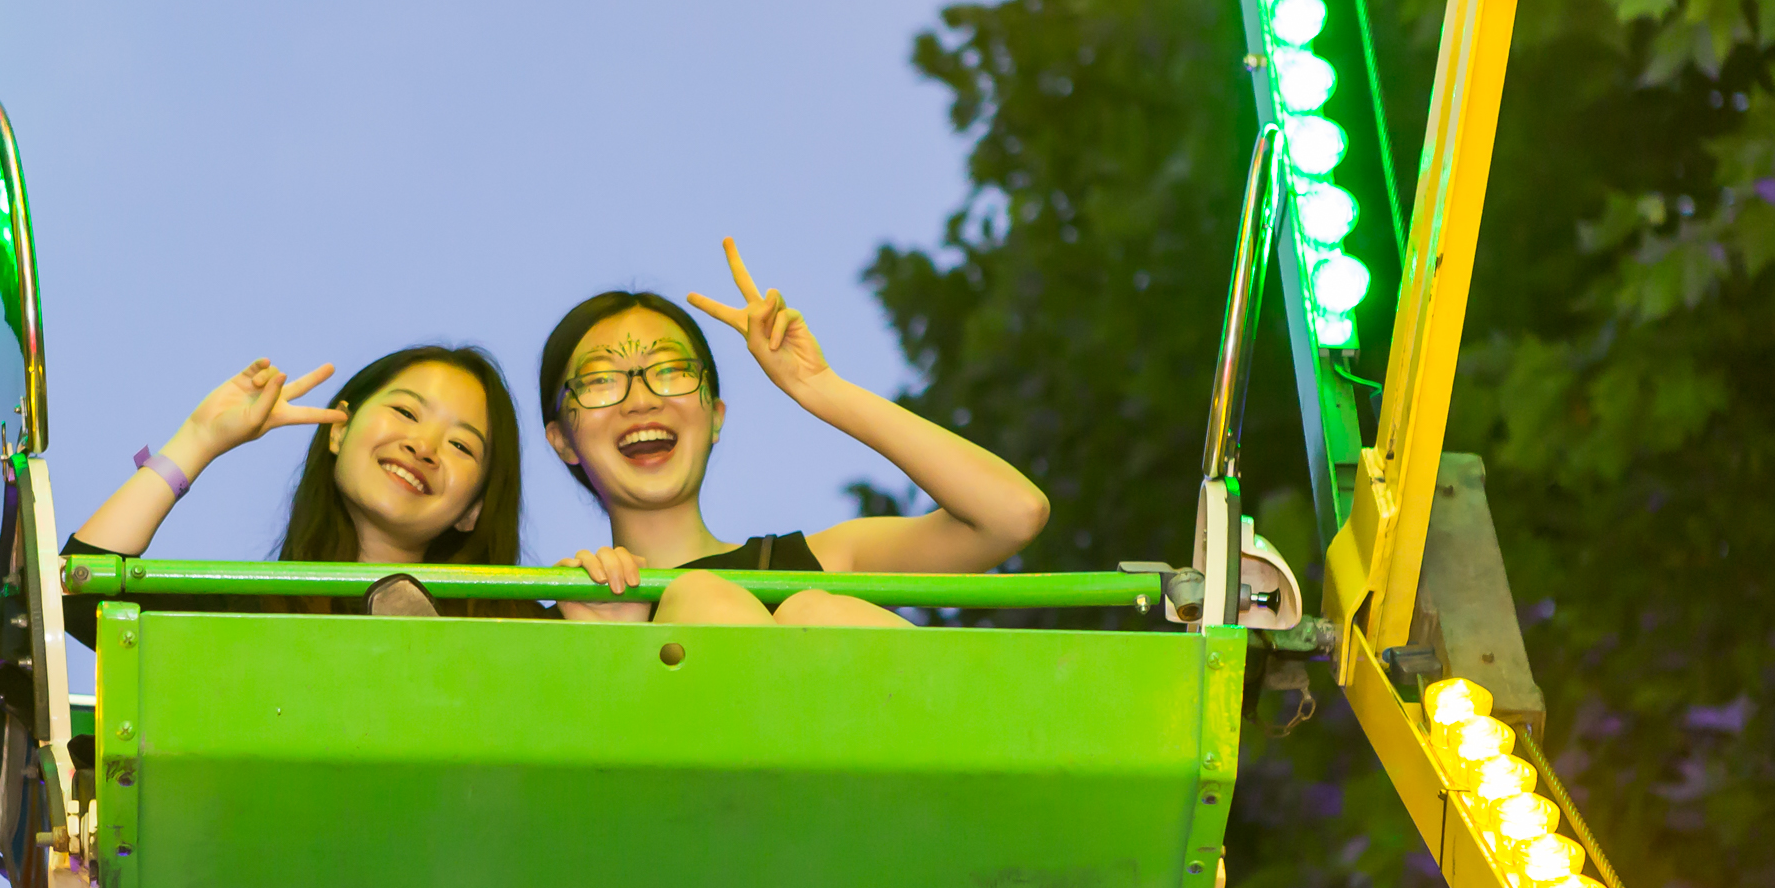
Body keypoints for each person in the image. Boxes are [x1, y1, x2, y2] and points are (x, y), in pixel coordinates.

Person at [542, 239, 1049, 626]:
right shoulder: (566, 616)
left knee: (815, 614)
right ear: (562, 438)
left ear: (716, 415)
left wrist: (819, 387)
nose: (642, 399)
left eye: (671, 371)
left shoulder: (806, 569)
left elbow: (1010, 515)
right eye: (601, 381)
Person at [65, 345, 526, 624]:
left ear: (475, 510)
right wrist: (198, 439)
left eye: (462, 446)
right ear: (339, 430)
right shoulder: (250, 616)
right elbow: (76, 591)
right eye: (406, 413)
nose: (424, 446)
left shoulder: (520, 636)